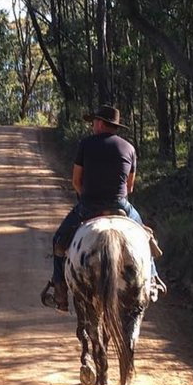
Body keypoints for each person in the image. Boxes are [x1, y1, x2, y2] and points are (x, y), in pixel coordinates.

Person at [41, 105, 163, 313]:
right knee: (145, 238)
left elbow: (76, 181)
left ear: (99, 123)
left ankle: (60, 290)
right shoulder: (130, 148)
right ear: (114, 126)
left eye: (94, 122)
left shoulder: (86, 144)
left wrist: (85, 199)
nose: (92, 125)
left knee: (58, 240)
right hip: (120, 205)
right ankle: (152, 279)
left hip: (89, 205)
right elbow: (130, 187)